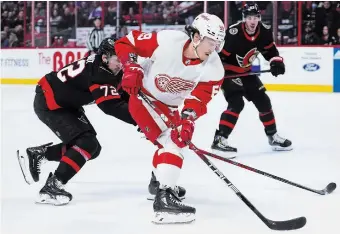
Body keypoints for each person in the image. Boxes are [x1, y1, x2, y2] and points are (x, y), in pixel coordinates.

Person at [114, 13, 225, 224]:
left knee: (176, 139)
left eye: (218, 43)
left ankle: (158, 183)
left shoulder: (214, 67)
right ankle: (164, 198)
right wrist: (131, 66)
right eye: (211, 42)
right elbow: (126, 42)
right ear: (196, 37)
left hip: (171, 107)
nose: (213, 48)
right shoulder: (167, 41)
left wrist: (188, 120)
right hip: (142, 98)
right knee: (172, 142)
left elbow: (198, 100)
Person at [17, 38, 136, 206]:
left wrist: (142, 115)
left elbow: (122, 94)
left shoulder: (106, 67)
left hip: (65, 103)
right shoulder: (99, 74)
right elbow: (111, 106)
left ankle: (41, 154)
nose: (121, 64)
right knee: (87, 144)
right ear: (104, 58)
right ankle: (52, 187)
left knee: (92, 149)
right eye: (118, 60)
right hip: (49, 102)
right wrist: (141, 120)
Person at [210, 3, 292, 157]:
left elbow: (270, 50)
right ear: (244, 19)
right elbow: (220, 58)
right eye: (249, 18)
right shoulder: (233, 33)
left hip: (247, 72)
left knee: (264, 102)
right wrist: (217, 74)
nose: (253, 21)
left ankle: (273, 137)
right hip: (229, 72)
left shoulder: (265, 31)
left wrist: (276, 62)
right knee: (236, 103)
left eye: (255, 17)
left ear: (259, 18)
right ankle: (219, 140)